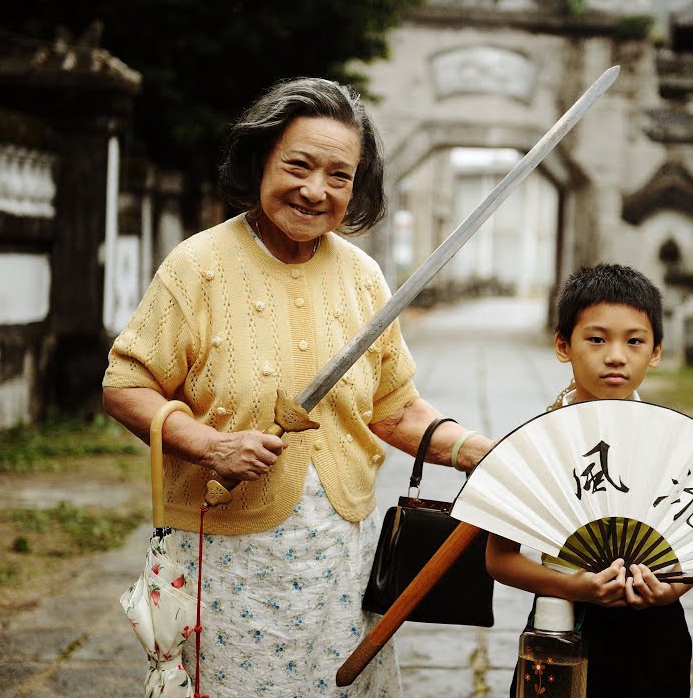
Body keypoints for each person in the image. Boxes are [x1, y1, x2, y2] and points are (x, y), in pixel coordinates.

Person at [102, 77, 494, 697]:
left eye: (339, 176)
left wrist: (476, 452)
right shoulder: (198, 265)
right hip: (227, 560)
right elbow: (127, 384)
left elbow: (392, 407)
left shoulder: (362, 276)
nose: (316, 190)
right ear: (261, 160)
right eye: (299, 166)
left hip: (341, 560)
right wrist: (207, 445)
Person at [485, 263, 693, 697]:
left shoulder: (672, 442)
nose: (616, 355)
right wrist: (573, 585)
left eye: (635, 341)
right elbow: (499, 558)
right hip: (560, 624)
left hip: (655, 632)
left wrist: (672, 587)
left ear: (655, 351)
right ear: (563, 345)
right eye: (596, 339)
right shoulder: (537, 443)